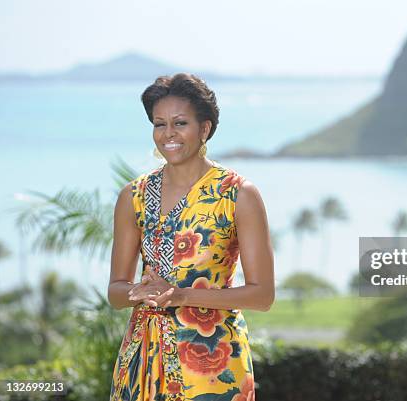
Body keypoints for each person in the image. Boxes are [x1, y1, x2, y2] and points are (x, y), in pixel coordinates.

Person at [107, 72, 274, 401]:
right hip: (141, 364)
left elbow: (262, 296)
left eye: (180, 123)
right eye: (159, 124)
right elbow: (115, 292)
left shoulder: (238, 194)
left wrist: (181, 296)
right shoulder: (134, 196)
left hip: (213, 367)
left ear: (205, 129)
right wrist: (138, 292)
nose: (168, 134)